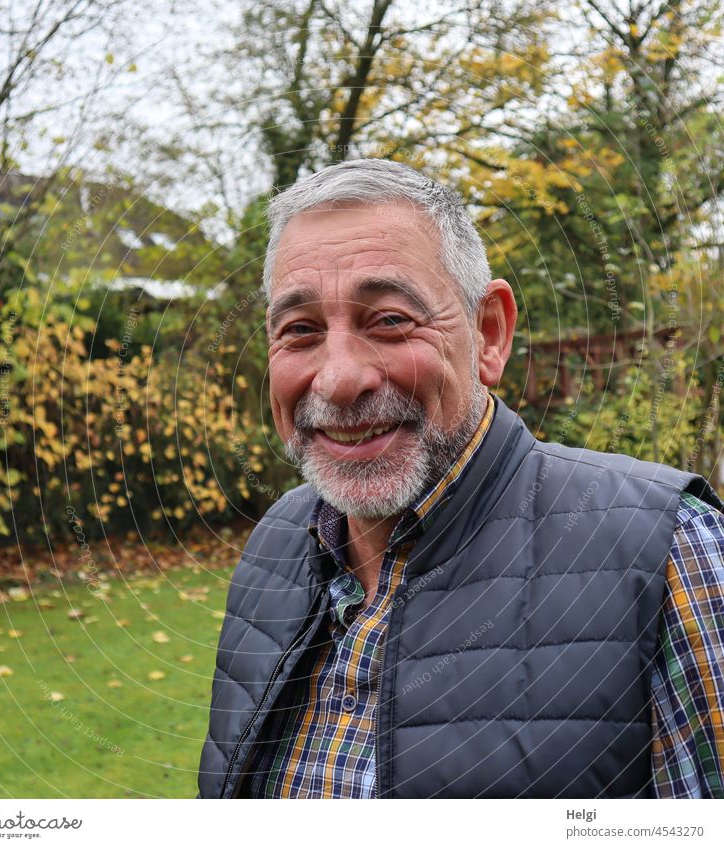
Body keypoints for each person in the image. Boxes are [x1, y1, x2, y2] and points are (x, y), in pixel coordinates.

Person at [198, 158, 724, 798]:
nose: (338, 380)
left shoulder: (671, 548)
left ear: (489, 333)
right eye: (300, 330)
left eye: (389, 320)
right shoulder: (276, 542)